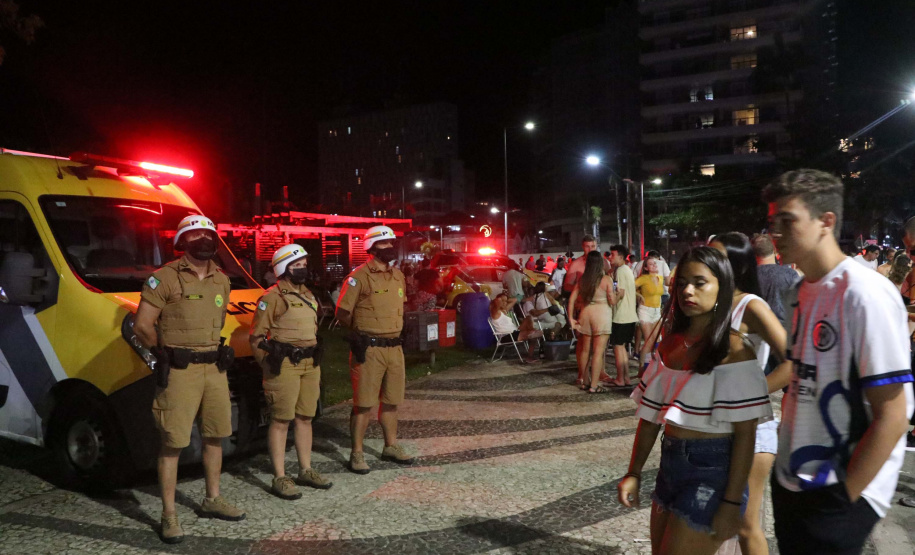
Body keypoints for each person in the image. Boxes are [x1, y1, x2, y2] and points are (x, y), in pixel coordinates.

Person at [763, 169, 914, 555]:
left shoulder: (864, 293)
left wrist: (845, 497)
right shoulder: (799, 292)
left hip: (837, 493)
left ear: (826, 221)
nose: (776, 232)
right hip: (793, 480)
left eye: (788, 220)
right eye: (772, 222)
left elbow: (894, 415)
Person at [619, 247, 772, 554]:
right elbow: (649, 419)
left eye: (700, 283)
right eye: (681, 283)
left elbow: (746, 435)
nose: (687, 291)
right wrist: (634, 472)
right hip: (670, 465)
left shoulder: (735, 349)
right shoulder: (670, 344)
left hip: (713, 471)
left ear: (722, 287)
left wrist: (731, 502)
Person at [133, 215, 245, 544]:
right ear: (182, 241)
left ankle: (213, 499)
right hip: (180, 371)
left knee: (216, 436)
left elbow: (217, 321)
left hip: (214, 369)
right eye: (195, 235)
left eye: (208, 234)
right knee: (173, 443)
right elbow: (142, 326)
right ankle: (169, 515)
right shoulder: (164, 278)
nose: (203, 239)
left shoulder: (221, 280)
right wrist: (163, 353)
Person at [710, 232, 792, 555]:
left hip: (751, 428)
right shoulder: (710, 303)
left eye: (717, 258)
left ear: (739, 265)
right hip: (713, 426)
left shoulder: (751, 305)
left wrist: (754, 392)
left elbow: (794, 362)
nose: (709, 264)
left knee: (746, 525)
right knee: (711, 519)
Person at [250, 244, 332, 500]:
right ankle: (280, 477)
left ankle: (305, 470)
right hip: (284, 364)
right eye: (297, 265)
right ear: (283, 268)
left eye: (304, 265)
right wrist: (269, 365)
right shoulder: (272, 297)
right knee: (281, 420)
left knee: (306, 417)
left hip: (309, 364)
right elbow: (256, 337)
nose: (302, 269)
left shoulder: (307, 294)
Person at [335, 225, 414, 474]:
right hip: (369, 349)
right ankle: (357, 453)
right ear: (371, 247)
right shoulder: (359, 277)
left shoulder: (398, 275)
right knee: (364, 404)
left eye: (391, 243)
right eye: (384, 243)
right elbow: (342, 312)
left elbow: (400, 305)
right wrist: (359, 331)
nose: (390, 247)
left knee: (392, 401)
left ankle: (390, 446)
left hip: (394, 348)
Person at [568, 251, 620, 393]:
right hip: (601, 315)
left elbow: (572, 300)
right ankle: (594, 385)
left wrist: (571, 319)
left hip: (585, 314)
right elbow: (612, 301)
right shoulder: (606, 279)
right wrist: (619, 295)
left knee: (585, 351)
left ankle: (585, 381)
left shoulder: (583, 280)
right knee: (598, 352)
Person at [751, 234, 798, 324]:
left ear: (753, 254)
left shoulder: (748, 277)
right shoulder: (790, 274)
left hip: (757, 328)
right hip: (784, 327)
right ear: (775, 250)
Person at [609, 245, 638, 387]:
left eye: (612, 255)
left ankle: (620, 378)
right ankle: (626, 378)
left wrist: (611, 300)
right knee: (622, 348)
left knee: (618, 347)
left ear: (620, 257)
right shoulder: (627, 270)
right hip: (630, 315)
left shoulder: (620, 271)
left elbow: (620, 293)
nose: (610, 257)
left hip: (621, 316)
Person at [490, 293, 543, 363]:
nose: (505, 303)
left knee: (529, 318)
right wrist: (502, 298)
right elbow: (498, 301)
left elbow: (514, 300)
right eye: (502, 301)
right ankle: (530, 355)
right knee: (534, 335)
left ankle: (532, 333)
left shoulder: (504, 311)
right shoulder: (495, 313)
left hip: (515, 331)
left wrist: (505, 300)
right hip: (507, 336)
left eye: (506, 301)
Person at [562, 235, 611, 299]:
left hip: (601, 300)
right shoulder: (576, 264)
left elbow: (610, 281)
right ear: (583, 247)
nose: (590, 250)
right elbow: (566, 286)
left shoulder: (604, 262)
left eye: (593, 246)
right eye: (587, 246)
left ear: (596, 246)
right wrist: (582, 289)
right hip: (583, 300)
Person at [634, 256, 664, 358]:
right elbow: (630, 287)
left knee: (657, 341)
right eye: (651, 264)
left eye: (655, 263)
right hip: (645, 311)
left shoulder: (660, 278)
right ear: (646, 268)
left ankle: (650, 363)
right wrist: (639, 295)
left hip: (657, 311)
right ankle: (642, 365)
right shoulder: (643, 278)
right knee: (649, 341)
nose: (654, 265)